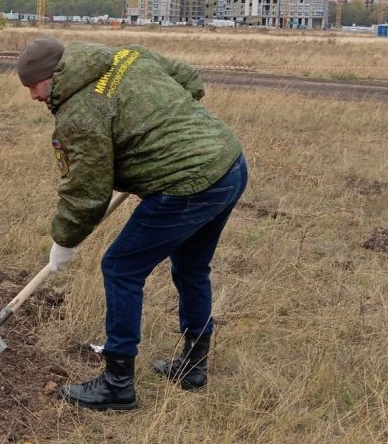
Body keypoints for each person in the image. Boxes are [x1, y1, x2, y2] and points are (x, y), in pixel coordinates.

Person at [16, 36, 248, 411]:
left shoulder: (81, 113)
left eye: (33, 86)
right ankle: (193, 367)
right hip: (229, 163)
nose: (32, 97)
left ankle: (117, 385)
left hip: (188, 184)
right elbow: (190, 80)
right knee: (192, 266)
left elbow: (86, 191)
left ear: (53, 75)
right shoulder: (126, 56)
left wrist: (64, 241)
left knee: (121, 267)